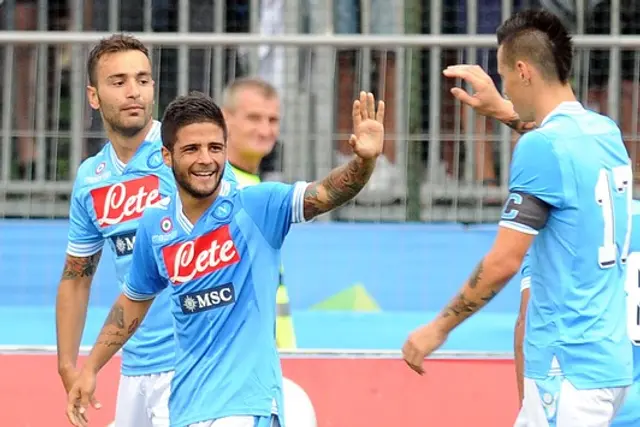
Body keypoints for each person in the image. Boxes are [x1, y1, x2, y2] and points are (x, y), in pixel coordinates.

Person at [65, 90, 385, 427]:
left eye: (215, 148)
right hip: (186, 409)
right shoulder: (155, 225)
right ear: (166, 156)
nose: (206, 159)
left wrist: (363, 162)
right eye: (191, 149)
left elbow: (325, 193)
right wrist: (90, 368)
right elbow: (133, 301)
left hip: (247, 406)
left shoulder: (256, 206)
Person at [402, 9, 633, 425]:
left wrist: (438, 328)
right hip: (607, 365)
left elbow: (503, 262)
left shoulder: (541, 148)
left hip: (566, 368)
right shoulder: (605, 132)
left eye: (505, 76)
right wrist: (506, 112)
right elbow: (561, 160)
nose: (505, 87)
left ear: (523, 71)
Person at [55, 35, 236, 427]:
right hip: (135, 365)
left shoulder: (187, 151)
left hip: (194, 361)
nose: (133, 91)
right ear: (93, 95)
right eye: (118, 82)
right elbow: (76, 277)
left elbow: (237, 236)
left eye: (143, 79)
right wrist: (69, 366)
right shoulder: (91, 179)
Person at [221, 77, 296, 349]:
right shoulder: (219, 191)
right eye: (253, 118)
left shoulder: (255, 186)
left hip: (273, 359)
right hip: (242, 361)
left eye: (273, 120)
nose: (265, 130)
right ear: (224, 118)